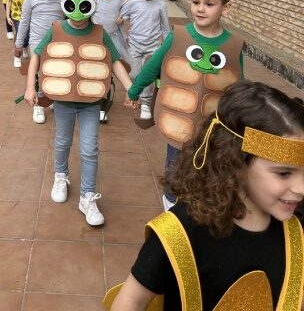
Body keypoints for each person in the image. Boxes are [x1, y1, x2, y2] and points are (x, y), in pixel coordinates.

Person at [107, 81, 304, 311]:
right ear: (235, 161)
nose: (301, 188)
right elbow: (131, 300)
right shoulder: (181, 233)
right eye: (283, 173)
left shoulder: (296, 228)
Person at [125, 0, 245, 211]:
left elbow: (239, 85)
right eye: (196, 2)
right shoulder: (178, 36)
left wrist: (244, 118)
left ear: (226, 7)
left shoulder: (233, 45)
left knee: (207, 169)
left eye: (209, 4)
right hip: (178, 122)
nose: (200, 9)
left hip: (212, 126)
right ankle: (171, 208)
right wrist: (134, 91)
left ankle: (198, 209)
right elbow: (152, 66)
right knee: (176, 167)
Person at [24, 0, 133, 226]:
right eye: (71, 5)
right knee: (62, 141)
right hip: (63, 99)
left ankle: (87, 197)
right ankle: (60, 176)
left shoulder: (99, 33)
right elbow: (37, 56)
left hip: (90, 101)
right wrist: (31, 87)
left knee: (89, 148)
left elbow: (115, 62)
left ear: (92, 5)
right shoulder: (56, 29)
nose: (77, 12)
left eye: (83, 5)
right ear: (64, 4)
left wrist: (131, 89)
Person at [16, 0, 68, 124]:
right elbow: (24, 22)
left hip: (57, 43)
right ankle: (38, 106)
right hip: (36, 43)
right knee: (38, 73)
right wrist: (19, 44)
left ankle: (51, 98)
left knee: (55, 72)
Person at [120, 0, 170, 120]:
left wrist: (167, 44)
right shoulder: (131, 2)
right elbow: (123, 17)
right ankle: (135, 96)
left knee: (148, 76)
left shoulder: (161, 5)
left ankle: (146, 103)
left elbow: (165, 27)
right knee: (134, 74)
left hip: (153, 46)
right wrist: (120, 20)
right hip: (134, 45)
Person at [93, 0, 129, 122]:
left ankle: (103, 105)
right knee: (95, 73)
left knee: (107, 74)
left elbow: (128, 12)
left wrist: (123, 18)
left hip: (113, 41)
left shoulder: (119, 0)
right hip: (95, 42)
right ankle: (93, 99)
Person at [4, 0, 35, 65]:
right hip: (17, 15)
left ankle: (25, 46)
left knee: (27, 35)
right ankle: (17, 56)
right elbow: (9, 1)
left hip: (29, 15)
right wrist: (8, 16)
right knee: (20, 35)